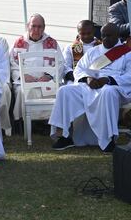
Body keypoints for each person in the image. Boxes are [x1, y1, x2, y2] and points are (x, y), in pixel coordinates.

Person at [49, 23, 131, 152]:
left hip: (114, 87)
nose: (105, 39)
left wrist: (108, 80)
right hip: (90, 85)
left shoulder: (127, 53)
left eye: (109, 36)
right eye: (103, 35)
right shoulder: (94, 51)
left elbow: (129, 76)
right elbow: (79, 69)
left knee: (107, 92)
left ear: (117, 36)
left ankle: (108, 140)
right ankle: (65, 136)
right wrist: (87, 78)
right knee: (65, 91)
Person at [8, 14, 63, 130]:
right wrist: (23, 75)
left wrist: (49, 76)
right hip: (26, 80)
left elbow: (61, 63)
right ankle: (23, 124)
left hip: (46, 80)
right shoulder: (19, 42)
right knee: (23, 91)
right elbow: (12, 63)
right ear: (28, 26)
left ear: (44, 27)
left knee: (52, 91)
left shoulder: (52, 43)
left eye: (40, 27)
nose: (36, 30)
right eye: (33, 26)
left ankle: (45, 123)